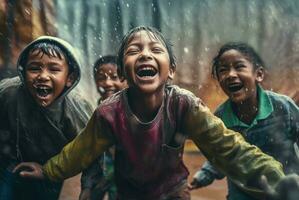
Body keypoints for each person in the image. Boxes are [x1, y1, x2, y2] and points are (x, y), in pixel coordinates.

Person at [13, 27, 299, 200]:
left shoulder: (185, 105)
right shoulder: (108, 113)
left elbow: (231, 149)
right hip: (129, 193)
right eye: (134, 50)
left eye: (155, 49)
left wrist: (279, 180)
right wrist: (48, 170)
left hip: (172, 191)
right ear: (125, 71)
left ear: (171, 70)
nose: (145, 54)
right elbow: (80, 150)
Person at [189, 42, 299, 200]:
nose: (231, 74)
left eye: (239, 66)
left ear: (259, 74)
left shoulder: (283, 106)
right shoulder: (220, 117)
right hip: (242, 195)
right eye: (223, 70)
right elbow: (220, 156)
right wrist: (204, 175)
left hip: (285, 192)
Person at [0, 36, 95, 200]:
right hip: (10, 164)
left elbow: (92, 151)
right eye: (35, 68)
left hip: (51, 173)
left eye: (54, 69)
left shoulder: (76, 109)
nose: (43, 76)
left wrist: (88, 187)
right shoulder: (8, 93)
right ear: (23, 72)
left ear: (69, 78)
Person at [79, 55, 126, 200]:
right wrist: (87, 186)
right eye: (101, 78)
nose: (107, 83)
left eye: (114, 77)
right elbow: (90, 154)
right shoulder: (94, 113)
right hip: (100, 178)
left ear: (125, 79)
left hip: (126, 181)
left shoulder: (135, 111)